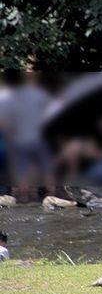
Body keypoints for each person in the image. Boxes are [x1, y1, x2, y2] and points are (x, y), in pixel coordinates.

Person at [0, 70, 56, 202]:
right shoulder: (38, 94)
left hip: (19, 141)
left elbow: (2, 124)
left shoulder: (5, 97)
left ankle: (23, 202)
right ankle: (52, 200)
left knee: (22, 177)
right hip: (39, 139)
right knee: (47, 172)